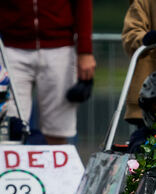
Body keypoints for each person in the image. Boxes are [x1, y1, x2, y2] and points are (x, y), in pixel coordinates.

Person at [0, 0, 96, 145]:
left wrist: (85, 51)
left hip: (60, 48)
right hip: (11, 48)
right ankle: (12, 168)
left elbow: (83, 3)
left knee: (58, 130)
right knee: (9, 128)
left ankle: (60, 167)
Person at [122, 0, 156, 126]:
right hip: (146, 102)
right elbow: (131, 34)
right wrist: (144, 40)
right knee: (142, 142)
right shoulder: (143, 2)